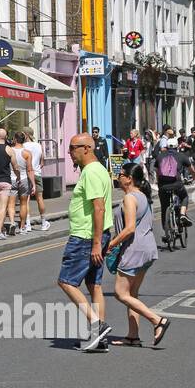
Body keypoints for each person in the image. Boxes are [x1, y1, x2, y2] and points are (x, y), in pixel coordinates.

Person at [105, 163, 170, 347]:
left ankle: (157, 320)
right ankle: (133, 337)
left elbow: (130, 229)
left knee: (120, 293)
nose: (118, 177)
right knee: (132, 293)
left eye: (120, 174)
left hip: (134, 250)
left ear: (129, 179)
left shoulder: (130, 198)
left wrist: (112, 243)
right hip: (147, 249)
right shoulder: (143, 197)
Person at [60, 133, 115, 352]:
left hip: (85, 236)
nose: (70, 152)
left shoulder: (91, 172)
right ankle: (99, 340)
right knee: (94, 285)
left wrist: (95, 243)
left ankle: (97, 325)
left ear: (86, 149)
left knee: (66, 281)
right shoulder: (100, 169)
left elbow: (98, 208)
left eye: (73, 148)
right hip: (95, 235)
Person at [154, 138, 194, 228]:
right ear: (177, 146)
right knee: (184, 197)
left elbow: (156, 170)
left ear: (167, 146)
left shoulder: (160, 156)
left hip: (163, 186)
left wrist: (158, 182)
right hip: (177, 184)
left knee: (164, 207)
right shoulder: (181, 156)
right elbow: (192, 169)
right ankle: (182, 214)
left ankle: (166, 232)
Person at [22, 127, 52, 231]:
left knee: (26, 200)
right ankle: (44, 223)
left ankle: (28, 224)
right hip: (37, 173)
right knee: (40, 198)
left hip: (26, 174)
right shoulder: (39, 145)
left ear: (25, 134)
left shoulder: (23, 146)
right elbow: (42, 162)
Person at [11, 132, 36, 234]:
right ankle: (22, 227)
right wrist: (33, 184)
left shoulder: (10, 151)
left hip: (11, 178)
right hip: (24, 179)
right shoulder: (27, 153)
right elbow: (30, 170)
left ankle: (12, 223)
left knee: (11, 204)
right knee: (23, 204)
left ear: (15, 139)